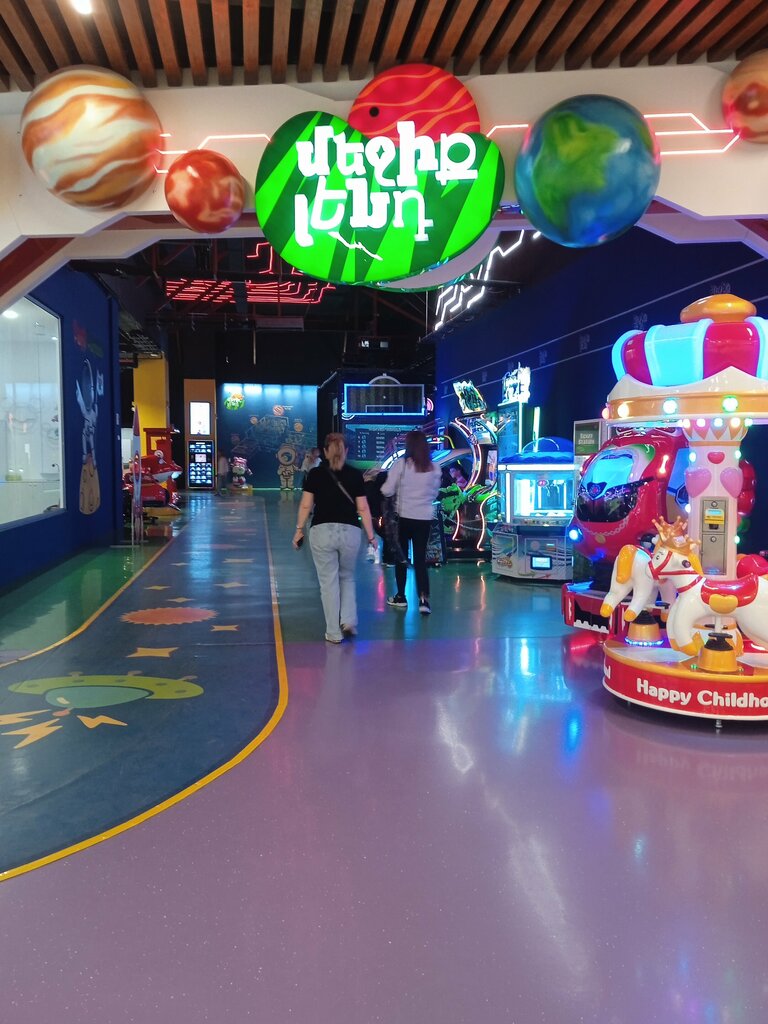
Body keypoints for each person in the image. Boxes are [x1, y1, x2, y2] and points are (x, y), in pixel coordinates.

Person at [293, 433, 376, 643]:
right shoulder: (355, 475)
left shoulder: (315, 474)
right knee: (347, 576)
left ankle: (333, 632)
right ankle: (348, 621)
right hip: (350, 532)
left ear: (325, 451)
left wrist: (299, 529)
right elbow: (363, 508)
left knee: (328, 582)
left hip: (322, 531)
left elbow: (306, 505)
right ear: (346, 451)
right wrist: (371, 535)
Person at [381, 430, 442, 614]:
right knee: (420, 559)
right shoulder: (434, 468)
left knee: (402, 557)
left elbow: (387, 490)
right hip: (424, 519)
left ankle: (401, 596)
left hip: (403, 518)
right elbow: (435, 493)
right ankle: (424, 600)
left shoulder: (401, 465)